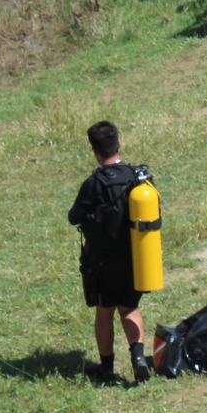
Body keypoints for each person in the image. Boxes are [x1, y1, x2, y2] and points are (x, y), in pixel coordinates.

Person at [68, 121, 150, 386]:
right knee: (130, 309)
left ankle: (106, 369)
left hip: (104, 264)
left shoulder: (94, 184)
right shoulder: (138, 177)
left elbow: (73, 217)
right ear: (119, 143)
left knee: (105, 312)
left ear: (95, 151)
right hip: (137, 259)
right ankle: (139, 359)